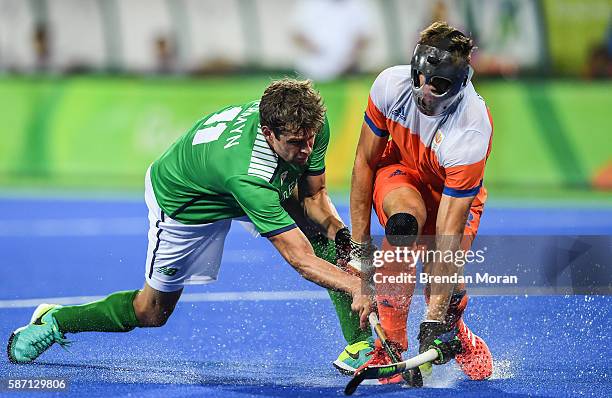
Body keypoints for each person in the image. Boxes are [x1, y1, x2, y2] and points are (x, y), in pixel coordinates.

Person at [7, 78, 373, 366]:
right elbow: (300, 259)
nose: (306, 151)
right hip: (186, 203)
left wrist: (342, 238)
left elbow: (313, 197)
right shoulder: (247, 174)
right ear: (268, 133)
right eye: (296, 143)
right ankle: (55, 320)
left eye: (310, 140)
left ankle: (362, 347)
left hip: (231, 180)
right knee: (151, 312)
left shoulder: (308, 124)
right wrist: (357, 286)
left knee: (325, 239)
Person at [348, 22, 494, 381]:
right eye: (419, 77)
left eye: (439, 85)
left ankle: (456, 332)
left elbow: (446, 231)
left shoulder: (470, 132)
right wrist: (360, 252)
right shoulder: (388, 86)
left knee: (440, 291)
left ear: (460, 84)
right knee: (402, 230)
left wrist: (434, 315)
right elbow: (364, 166)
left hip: (452, 199)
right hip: (401, 175)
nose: (424, 92)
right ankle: (390, 349)